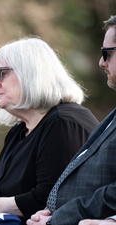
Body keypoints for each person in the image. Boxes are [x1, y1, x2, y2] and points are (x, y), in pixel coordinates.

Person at [0, 37, 99, 224]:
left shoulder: (64, 123)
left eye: (2, 73)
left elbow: (51, 200)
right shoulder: (20, 130)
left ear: (30, 73)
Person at [27, 15, 116, 225]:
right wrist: (51, 214)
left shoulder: (65, 121)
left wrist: (60, 217)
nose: (101, 62)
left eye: (107, 53)